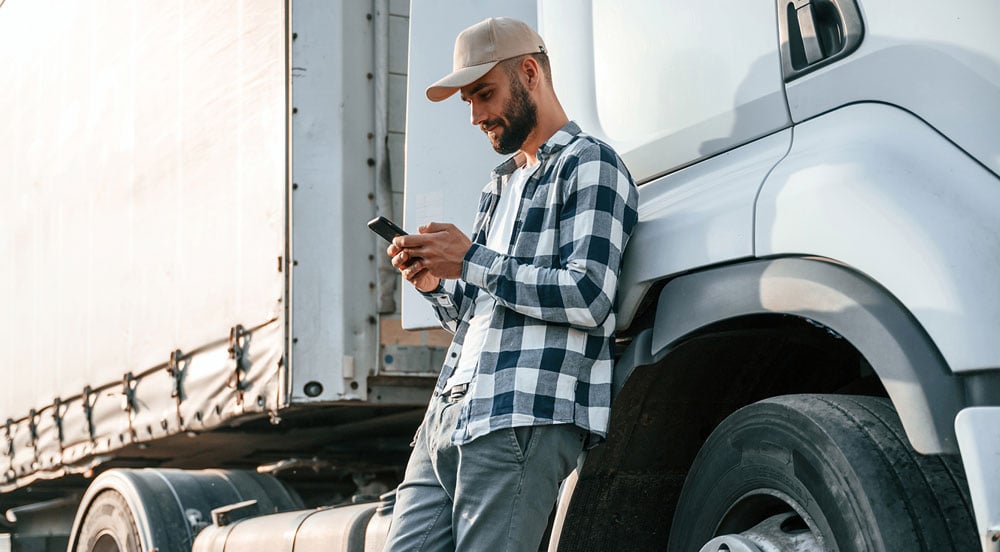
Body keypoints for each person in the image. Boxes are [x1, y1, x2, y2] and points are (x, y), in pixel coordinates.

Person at [382, 16, 639, 552]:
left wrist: (473, 259)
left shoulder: (590, 164)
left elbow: (589, 297)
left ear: (529, 73)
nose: (476, 115)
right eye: (467, 102)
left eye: (484, 94)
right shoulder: (496, 188)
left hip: (522, 414)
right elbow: (477, 318)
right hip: (449, 415)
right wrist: (434, 281)